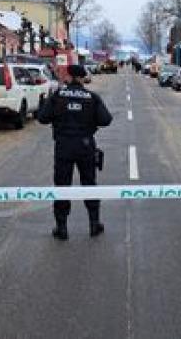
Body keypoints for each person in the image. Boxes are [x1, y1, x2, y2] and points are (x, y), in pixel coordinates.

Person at [38, 64, 113, 240]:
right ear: (82, 78)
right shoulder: (91, 97)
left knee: (62, 186)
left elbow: (42, 118)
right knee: (89, 184)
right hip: (85, 146)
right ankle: (94, 223)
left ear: (70, 77)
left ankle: (62, 227)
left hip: (64, 146)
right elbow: (106, 120)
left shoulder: (58, 96)